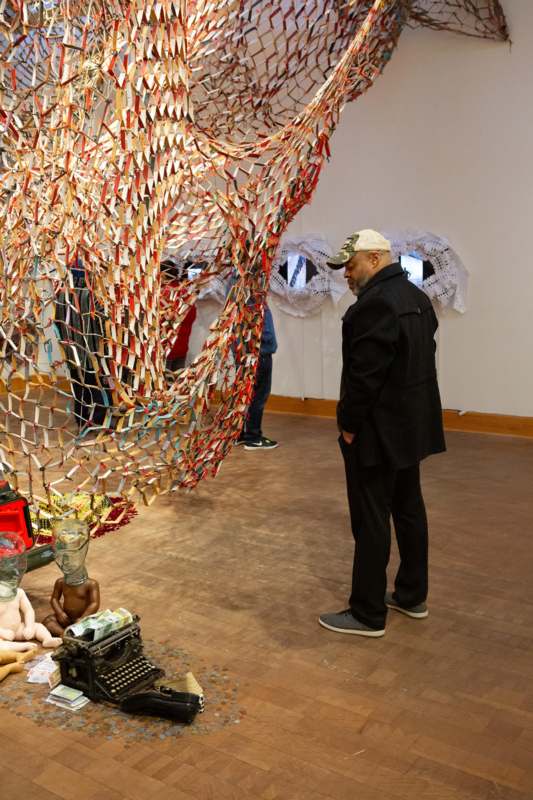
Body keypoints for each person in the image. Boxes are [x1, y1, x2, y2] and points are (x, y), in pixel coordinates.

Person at [319, 229, 445, 638]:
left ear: (374, 258)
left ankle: (367, 612)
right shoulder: (417, 298)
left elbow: (364, 376)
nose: (347, 276)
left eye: (351, 266)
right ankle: (411, 595)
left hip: (377, 432)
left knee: (370, 518)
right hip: (410, 427)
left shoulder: (374, 305)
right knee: (409, 509)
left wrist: (349, 425)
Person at [237, 303, 279, 450]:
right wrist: (269, 346)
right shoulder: (257, 303)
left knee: (243, 395)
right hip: (260, 355)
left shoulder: (237, 299)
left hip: (242, 356)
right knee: (258, 396)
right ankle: (253, 437)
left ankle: (239, 434)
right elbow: (265, 333)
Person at [161, 260, 197, 372]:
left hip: (165, 348)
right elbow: (192, 317)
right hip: (182, 347)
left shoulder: (163, 293)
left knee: (161, 383)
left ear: (162, 274)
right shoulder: (186, 293)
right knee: (176, 382)